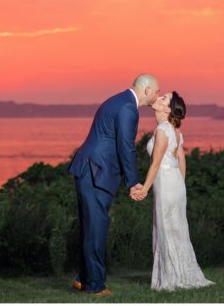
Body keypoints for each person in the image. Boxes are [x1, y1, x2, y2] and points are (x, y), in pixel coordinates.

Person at [68, 73, 160, 295]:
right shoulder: (129, 108)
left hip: (90, 169)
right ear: (146, 90)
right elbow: (126, 147)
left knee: (91, 228)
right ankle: (95, 286)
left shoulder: (117, 100)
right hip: (97, 172)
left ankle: (84, 278)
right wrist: (133, 183)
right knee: (96, 229)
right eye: (157, 91)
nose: (158, 95)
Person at [135, 91, 215, 290]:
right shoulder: (175, 130)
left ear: (168, 109)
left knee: (166, 229)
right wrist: (180, 185)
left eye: (164, 98)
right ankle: (180, 274)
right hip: (175, 183)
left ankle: (171, 279)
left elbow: (155, 164)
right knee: (176, 230)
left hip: (166, 183)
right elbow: (181, 160)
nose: (159, 97)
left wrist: (144, 188)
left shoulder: (163, 129)